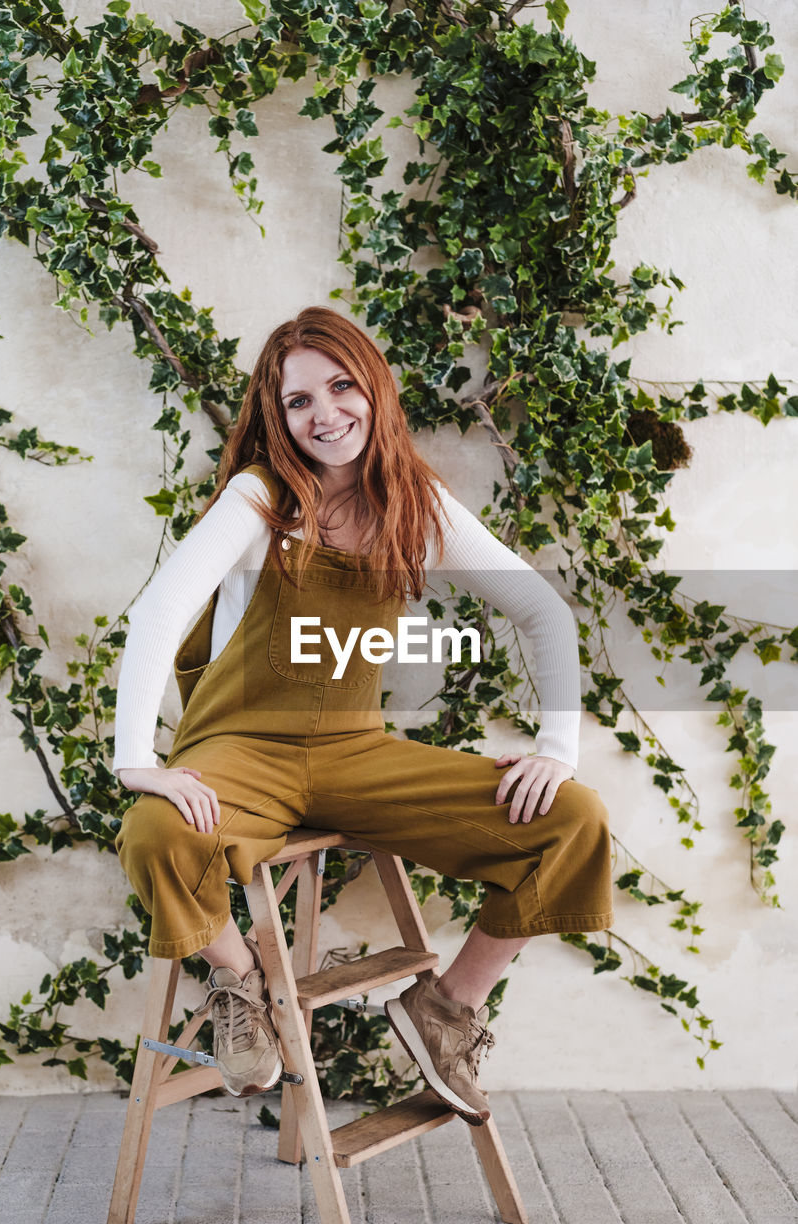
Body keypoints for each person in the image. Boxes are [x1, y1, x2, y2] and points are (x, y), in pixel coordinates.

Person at [112, 305, 613, 1126]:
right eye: (298, 401)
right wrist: (137, 757)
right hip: (241, 751)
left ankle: (444, 1011)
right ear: (276, 417)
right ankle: (244, 984)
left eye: (341, 387)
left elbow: (542, 610)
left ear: (373, 388)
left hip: (354, 751)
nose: (325, 414)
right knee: (156, 832)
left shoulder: (415, 505)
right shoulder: (259, 497)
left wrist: (557, 746)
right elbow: (161, 609)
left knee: (571, 818)